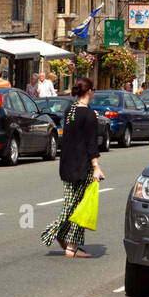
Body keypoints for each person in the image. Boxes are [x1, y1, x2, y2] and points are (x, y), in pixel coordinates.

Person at [40, 76, 104, 258]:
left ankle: (62, 237)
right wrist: (96, 167)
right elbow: (91, 144)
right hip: (82, 165)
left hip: (67, 164)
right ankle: (70, 245)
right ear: (90, 91)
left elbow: (77, 129)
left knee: (71, 204)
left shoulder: (70, 110)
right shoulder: (89, 115)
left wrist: (93, 117)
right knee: (80, 208)